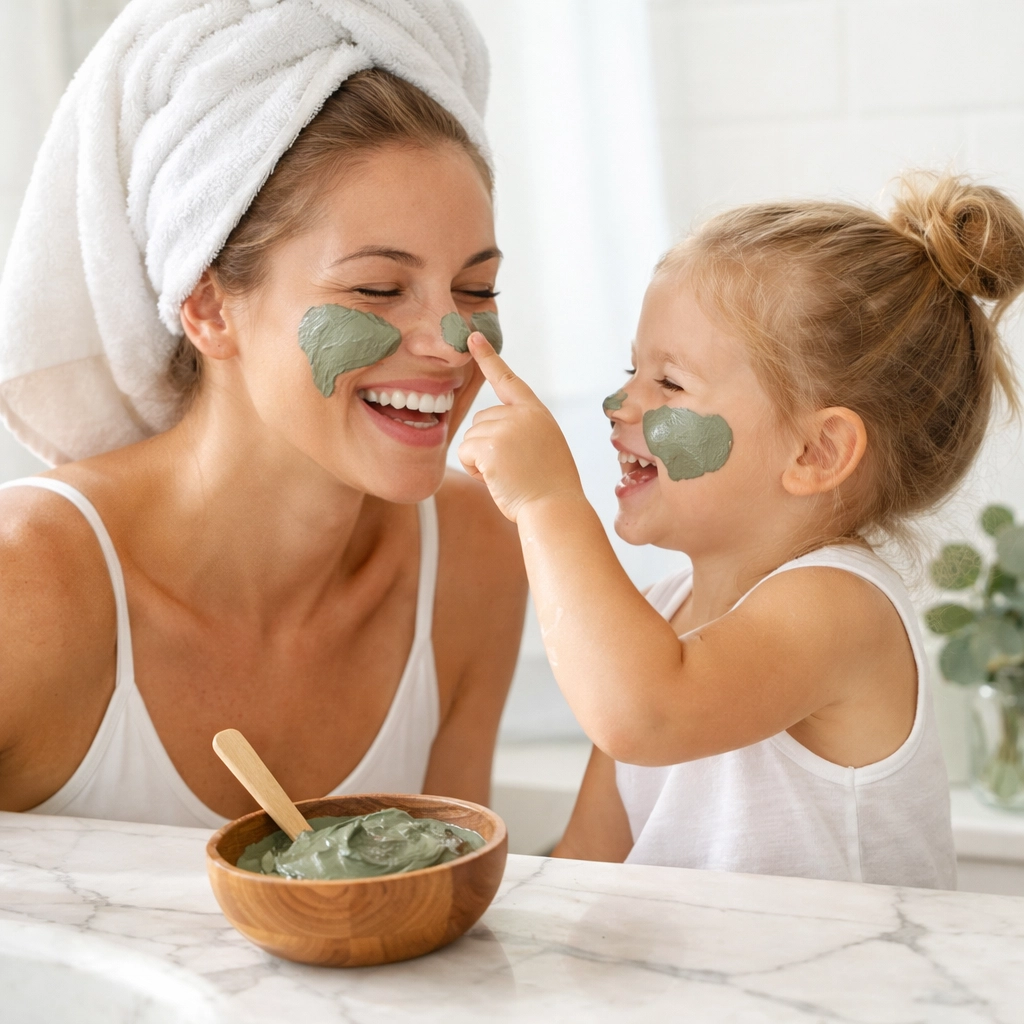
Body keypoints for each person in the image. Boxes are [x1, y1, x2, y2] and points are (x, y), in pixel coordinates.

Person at [0, 2, 526, 826]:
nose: (453, 344)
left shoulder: (472, 555)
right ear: (209, 306)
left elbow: (444, 915)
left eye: (475, 288)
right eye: (378, 290)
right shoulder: (24, 589)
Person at [459, 172, 1024, 887]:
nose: (618, 402)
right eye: (633, 369)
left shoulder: (842, 608)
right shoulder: (656, 624)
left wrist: (548, 501)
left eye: (669, 384)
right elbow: (589, 862)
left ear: (815, 453)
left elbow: (645, 714)